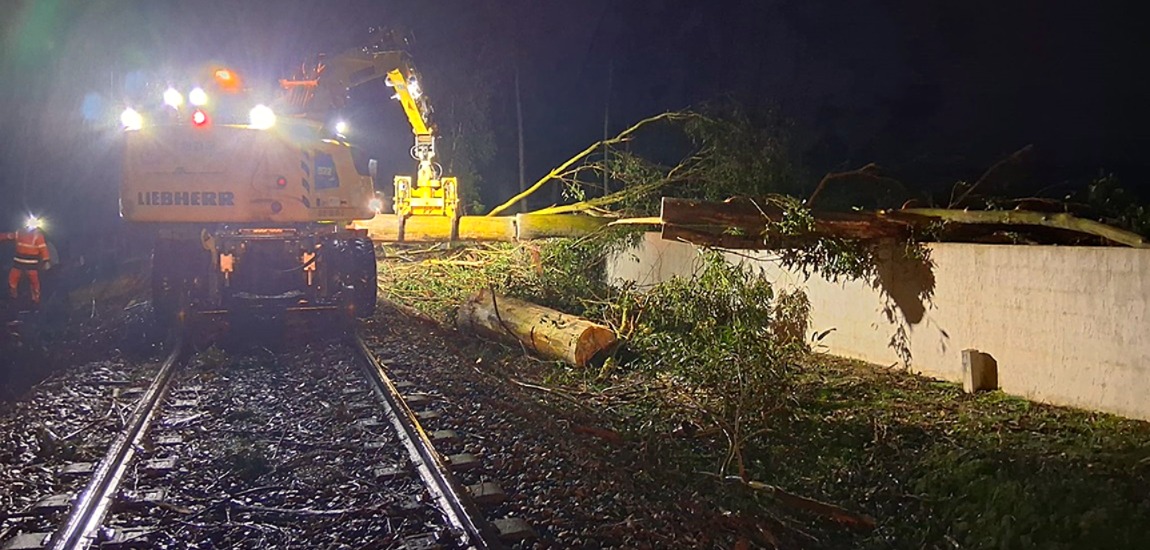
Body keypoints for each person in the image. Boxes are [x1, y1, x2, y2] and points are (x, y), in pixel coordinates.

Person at [1, 218, 52, 308]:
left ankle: (36, 301)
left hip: (30, 263)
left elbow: (43, 248)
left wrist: (46, 260)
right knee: (12, 280)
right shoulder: (20, 232)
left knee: (34, 282)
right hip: (19, 262)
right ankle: (13, 298)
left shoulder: (38, 236)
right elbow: (9, 236)